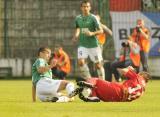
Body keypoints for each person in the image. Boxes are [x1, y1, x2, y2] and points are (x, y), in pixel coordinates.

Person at [76, 66, 151, 102]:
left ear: (143, 75)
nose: (138, 73)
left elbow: (123, 71)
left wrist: (128, 68)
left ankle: (89, 87)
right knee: (97, 89)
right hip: (118, 99)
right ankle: (93, 97)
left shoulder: (138, 77)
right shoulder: (142, 92)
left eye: (140, 73)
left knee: (96, 80)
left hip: (119, 89)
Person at [72, 0, 105, 80]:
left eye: (87, 6)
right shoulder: (78, 18)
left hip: (93, 45)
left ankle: (102, 82)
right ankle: (90, 80)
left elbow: (101, 30)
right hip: (82, 44)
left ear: (90, 8)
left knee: (98, 65)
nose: (85, 8)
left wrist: (92, 33)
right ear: (81, 8)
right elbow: (77, 29)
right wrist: (76, 36)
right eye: (84, 6)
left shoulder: (93, 18)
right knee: (81, 62)